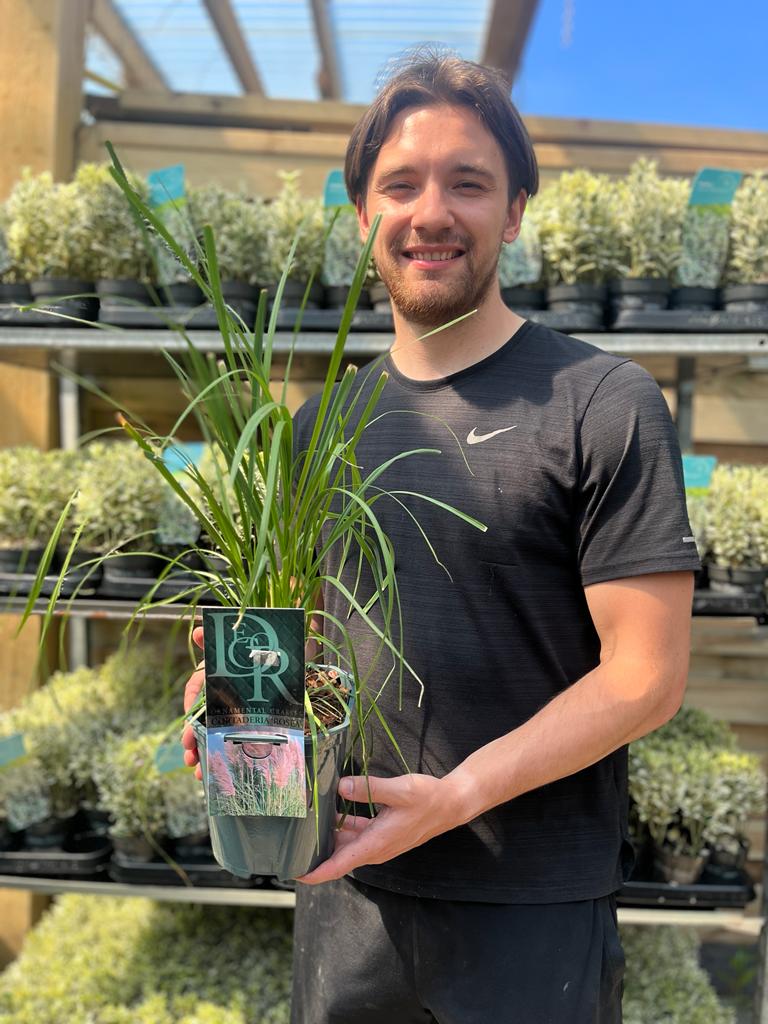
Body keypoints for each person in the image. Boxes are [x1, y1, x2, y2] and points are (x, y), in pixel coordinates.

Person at [184, 52, 700, 1024]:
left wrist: (456, 793)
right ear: (362, 215)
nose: (432, 213)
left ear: (513, 212)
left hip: (530, 911)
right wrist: (233, 699)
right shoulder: (314, 426)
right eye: (401, 184)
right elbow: (316, 646)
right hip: (346, 896)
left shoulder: (601, 402)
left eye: (468, 183)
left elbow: (648, 676)